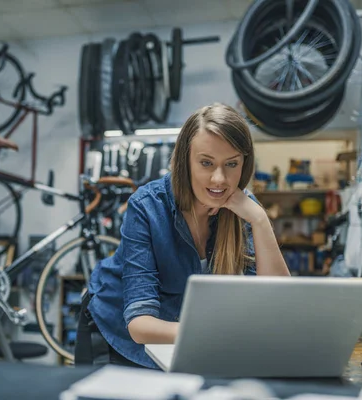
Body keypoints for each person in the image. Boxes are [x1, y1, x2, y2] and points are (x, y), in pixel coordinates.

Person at [74, 103, 290, 369]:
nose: (219, 179)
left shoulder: (244, 209)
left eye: (231, 164)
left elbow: (278, 306)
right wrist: (216, 335)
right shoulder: (147, 205)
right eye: (206, 163)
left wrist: (260, 220)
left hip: (187, 338)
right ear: (184, 161)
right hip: (115, 334)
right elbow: (140, 325)